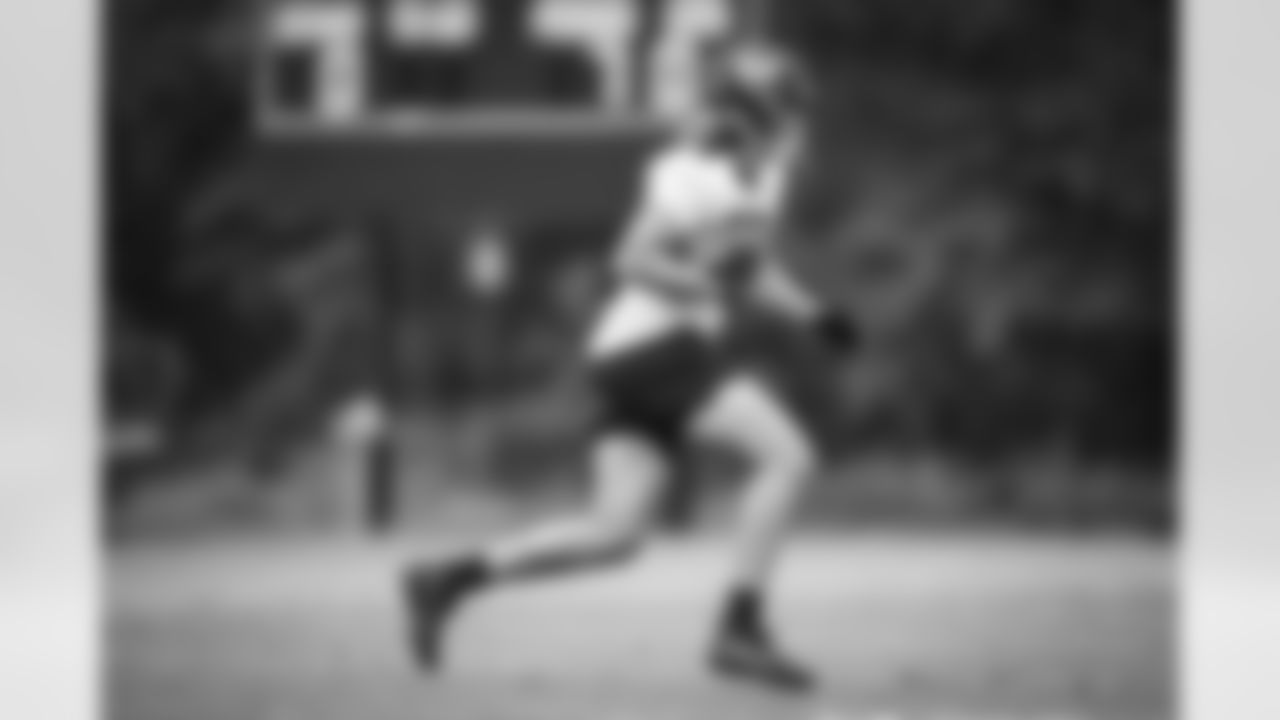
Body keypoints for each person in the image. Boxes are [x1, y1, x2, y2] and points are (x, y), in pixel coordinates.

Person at [400, 40, 856, 693]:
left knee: (614, 535)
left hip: (641, 354)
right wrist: (705, 281)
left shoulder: (763, 176)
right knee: (788, 457)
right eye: (789, 110)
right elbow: (631, 259)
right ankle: (741, 627)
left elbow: (748, 270)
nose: (798, 125)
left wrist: (814, 316)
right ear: (761, 115)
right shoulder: (695, 172)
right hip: (653, 349)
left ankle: (447, 580)